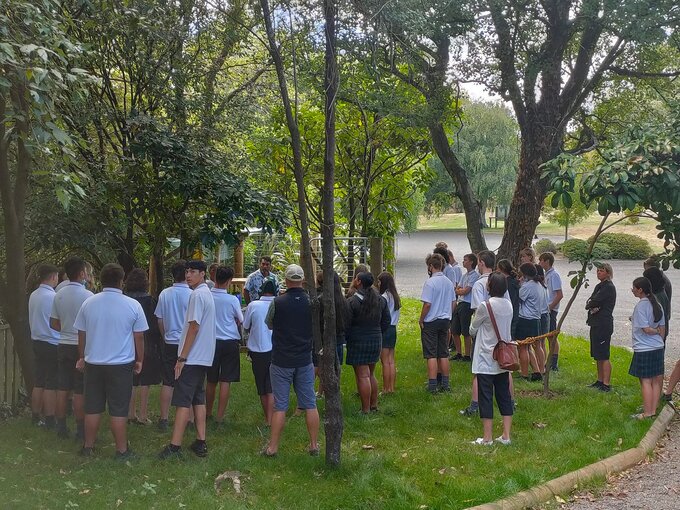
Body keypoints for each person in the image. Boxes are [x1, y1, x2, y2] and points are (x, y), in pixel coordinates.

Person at [73, 263, 147, 458]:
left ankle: (88, 447)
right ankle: (122, 450)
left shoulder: (89, 303)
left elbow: (82, 334)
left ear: (101, 279)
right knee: (119, 409)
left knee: (93, 407)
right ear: (121, 281)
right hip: (121, 364)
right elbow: (138, 337)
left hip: (94, 362)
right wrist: (140, 359)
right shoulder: (132, 305)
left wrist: (82, 357)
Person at [159, 260, 216, 459]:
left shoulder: (197, 295)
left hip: (192, 358)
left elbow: (194, 327)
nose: (188, 275)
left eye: (192, 272)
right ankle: (201, 441)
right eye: (187, 271)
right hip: (203, 357)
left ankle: (174, 446)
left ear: (202, 274)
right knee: (197, 398)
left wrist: (182, 357)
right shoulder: (206, 293)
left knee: (183, 401)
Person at [262, 264, 319, 457]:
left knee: (280, 405)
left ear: (286, 280)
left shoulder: (277, 302)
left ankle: (273, 447)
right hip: (304, 358)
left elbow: (269, 324)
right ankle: (313, 445)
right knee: (310, 403)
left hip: (281, 360)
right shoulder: (312, 302)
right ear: (302, 280)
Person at [51, 256, 94, 439]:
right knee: (79, 389)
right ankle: (81, 429)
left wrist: (67, 329)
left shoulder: (58, 294)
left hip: (63, 343)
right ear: (82, 273)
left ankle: (60, 427)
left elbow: (53, 323)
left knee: (62, 387)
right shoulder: (89, 297)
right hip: (81, 346)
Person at [469, 273, 514, 445]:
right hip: (504, 357)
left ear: (489, 287)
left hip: (486, 357)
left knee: (485, 396)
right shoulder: (508, 305)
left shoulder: (484, 306)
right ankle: (506, 435)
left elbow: (473, 329)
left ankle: (487, 437)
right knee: (504, 395)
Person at [154, 260, 193, 431]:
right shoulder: (192, 295)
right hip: (187, 343)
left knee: (168, 381)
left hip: (170, 342)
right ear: (186, 274)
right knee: (189, 381)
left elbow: (159, 319)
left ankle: (163, 418)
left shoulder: (165, 294)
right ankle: (190, 418)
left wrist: (164, 336)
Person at [347, 272, 390, 412]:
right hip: (376, 339)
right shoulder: (380, 300)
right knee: (371, 374)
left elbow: (347, 324)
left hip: (358, 340)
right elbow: (386, 321)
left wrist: (348, 337)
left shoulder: (352, 302)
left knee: (363, 375)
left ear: (359, 282)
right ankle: (374, 405)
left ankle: (365, 410)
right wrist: (378, 332)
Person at [124, 268, 162, 424]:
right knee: (145, 381)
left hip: (127, 341)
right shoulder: (150, 301)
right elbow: (154, 323)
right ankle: (143, 414)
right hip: (148, 342)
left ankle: (130, 414)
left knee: (132, 379)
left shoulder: (124, 299)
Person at [206, 266, 243, 424]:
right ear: (229, 281)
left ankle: (207, 412)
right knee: (225, 380)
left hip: (211, 341)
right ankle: (220, 416)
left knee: (211, 380)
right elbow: (241, 319)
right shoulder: (232, 300)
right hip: (229, 342)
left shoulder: (207, 297)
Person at [28, 264, 60, 428]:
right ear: (53, 277)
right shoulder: (53, 297)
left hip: (37, 340)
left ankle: (35, 415)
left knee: (39, 380)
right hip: (51, 341)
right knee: (51, 382)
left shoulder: (34, 295)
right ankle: (49, 418)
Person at [629, 277, 665, 420]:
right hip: (657, 347)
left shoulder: (640, 306)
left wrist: (654, 332)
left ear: (640, 290)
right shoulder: (657, 305)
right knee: (656, 380)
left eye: (634, 288)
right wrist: (658, 338)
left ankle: (647, 412)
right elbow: (662, 328)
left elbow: (646, 329)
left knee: (646, 381)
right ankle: (653, 409)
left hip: (644, 348)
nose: (632, 290)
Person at [419, 253, 456, 394]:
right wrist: (448, 315)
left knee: (431, 354)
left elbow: (427, 304)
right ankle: (445, 384)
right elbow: (453, 302)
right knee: (444, 353)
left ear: (430, 266)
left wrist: (421, 319)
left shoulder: (430, 282)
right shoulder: (448, 282)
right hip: (445, 320)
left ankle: (432, 384)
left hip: (431, 321)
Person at [243, 279, 276, 425]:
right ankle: (271, 418)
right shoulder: (279, 303)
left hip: (258, 350)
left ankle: (267, 418)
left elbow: (246, 326)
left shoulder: (253, 305)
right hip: (276, 349)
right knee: (272, 386)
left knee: (262, 386)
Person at [585, 262, 616, 392]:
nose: (599, 273)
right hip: (595, 323)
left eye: (602, 271)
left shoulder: (608, 287)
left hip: (603, 323)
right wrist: (591, 303)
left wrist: (592, 303)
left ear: (608, 273)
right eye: (597, 270)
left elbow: (595, 301)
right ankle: (599, 380)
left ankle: (606, 383)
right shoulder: (599, 286)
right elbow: (590, 301)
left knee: (604, 354)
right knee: (597, 354)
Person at [516, 263, 544, 381]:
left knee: (523, 347)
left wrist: (520, 285)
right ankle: (538, 371)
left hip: (525, 319)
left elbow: (519, 298)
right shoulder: (539, 285)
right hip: (535, 319)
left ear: (525, 274)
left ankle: (524, 373)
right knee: (530, 347)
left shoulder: (527, 286)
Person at [451, 254, 479, 361]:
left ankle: (467, 355)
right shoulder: (464, 275)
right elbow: (458, 288)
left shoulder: (474, 276)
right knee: (454, 329)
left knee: (465, 331)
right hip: (460, 302)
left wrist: (460, 291)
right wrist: (459, 291)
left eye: (465, 260)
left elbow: (466, 290)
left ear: (471, 262)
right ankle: (458, 352)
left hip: (467, 304)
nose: (463, 262)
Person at [538, 252, 563, 371]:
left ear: (547, 261)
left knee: (552, 336)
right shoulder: (546, 275)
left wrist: (550, 307)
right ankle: (549, 360)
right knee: (548, 335)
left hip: (551, 310)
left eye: (541, 260)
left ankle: (554, 362)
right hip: (546, 309)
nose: (539, 263)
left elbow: (559, 294)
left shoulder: (554, 275)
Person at [378, 271, 401, 394]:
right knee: (391, 360)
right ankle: (392, 387)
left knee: (385, 361)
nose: (378, 284)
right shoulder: (395, 296)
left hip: (385, 328)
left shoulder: (384, 297)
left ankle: (386, 388)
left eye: (379, 281)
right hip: (393, 328)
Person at [642, 267, 670, 343]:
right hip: (659, 333)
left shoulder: (657, 297)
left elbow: (656, 317)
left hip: (656, 334)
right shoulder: (661, 291)